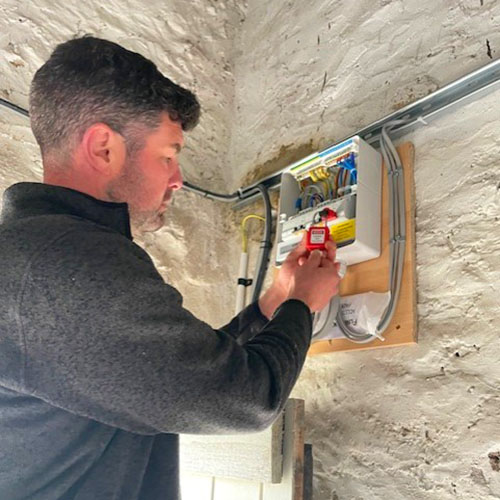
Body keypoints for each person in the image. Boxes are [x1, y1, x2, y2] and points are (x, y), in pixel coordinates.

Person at [0, 36, 340, 500]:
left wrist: (273, 305)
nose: (177, 179)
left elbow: (181, 374)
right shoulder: (65, 261)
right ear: (103, 148)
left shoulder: (35, 255)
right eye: (168, 155)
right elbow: (247, 400)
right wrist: (302, 304)